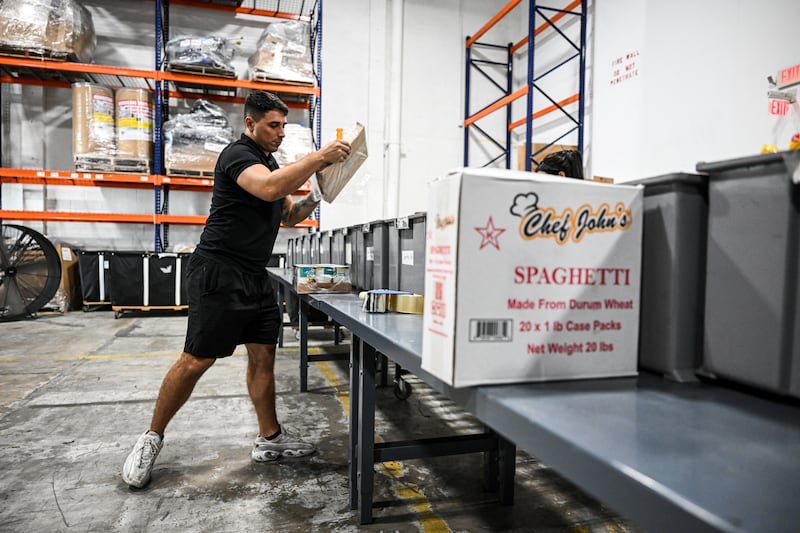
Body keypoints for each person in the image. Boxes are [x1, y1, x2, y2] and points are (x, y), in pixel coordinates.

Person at [122, 91, 351, 488]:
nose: (280, 133)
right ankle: (150, 438)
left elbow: (289, 215)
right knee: (197, 360)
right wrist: (319, 158)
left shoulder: (271, 161)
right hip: (218, 271)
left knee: (263, 357)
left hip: (254, 275)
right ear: (251, 124)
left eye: (283, 125)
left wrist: (321, 191)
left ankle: (270, 438)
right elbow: (266, 189)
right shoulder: (237, 155)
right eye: (273, 125)